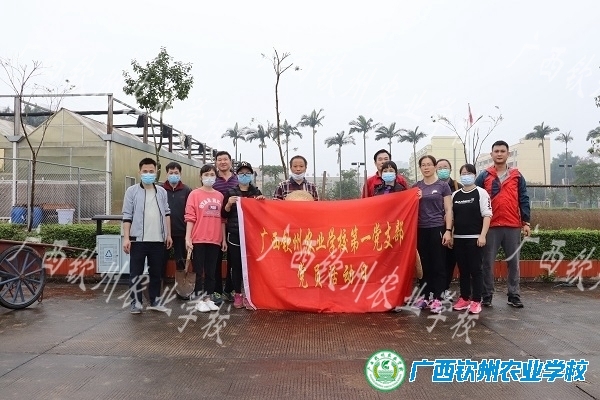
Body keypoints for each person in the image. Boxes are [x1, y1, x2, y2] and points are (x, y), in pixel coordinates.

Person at [475, 140, 531, 308]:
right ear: (491, 154)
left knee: (513, 263)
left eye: (502, 151)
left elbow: (523, 198)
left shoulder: (517, 176)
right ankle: (487, 295)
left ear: (508, 154)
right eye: (496, 151)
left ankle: (514, 295)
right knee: (487, 263)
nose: (499, 154)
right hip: (491, 226)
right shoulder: (484, 176)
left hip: (512, 225)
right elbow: (476, 199)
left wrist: (526, 222)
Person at [122, 157, 172, 314]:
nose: (148, 174)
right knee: (135, 273)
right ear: (139, 172)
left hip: (158, 240)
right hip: (138, 240)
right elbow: (127, 215)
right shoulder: (132, 191)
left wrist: (168, 235)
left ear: (156, 172)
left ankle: (155, 300)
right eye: (145, 171)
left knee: (156, 273)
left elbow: (167, 213)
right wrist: (126, 238)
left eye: (151, 171)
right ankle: (136, 302)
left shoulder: (162, 192)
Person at [222, 161, 265, 308]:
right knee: (236, 266)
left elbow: (262, 214)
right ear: (237, 175)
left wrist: (261, 202)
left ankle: (249, 295)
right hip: (235, 234)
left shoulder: (256, 193)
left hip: (252, 235)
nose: (244, 176)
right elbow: (223, 214)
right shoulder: (230, 192)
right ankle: (238, 294)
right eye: (241, 173)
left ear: (251, 175)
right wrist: (228, 204)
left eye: (247, 173)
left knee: (251, 266)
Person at [412, 155, 453, 314]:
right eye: (423, 165)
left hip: (437, 228)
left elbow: (448, 209)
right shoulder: (416, 187)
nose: (426, 167)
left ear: (435, 167)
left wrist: (448, 231)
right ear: (420, 168)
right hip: (421, 229)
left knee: (438, 264)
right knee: (423, 265)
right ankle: (424, 296)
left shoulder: (443, 186)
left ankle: (437, 298)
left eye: (429, 164)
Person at [184, 164, 227, 313]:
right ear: (201, 177)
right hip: (198, 239)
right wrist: (188, 238)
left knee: (211, 271)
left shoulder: (220, 196)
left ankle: (208, 298)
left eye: (212, 175)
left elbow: (222, 220)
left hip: (214, 239)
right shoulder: (194, 194)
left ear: (216, 177)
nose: (209, 177)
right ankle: (198, 299)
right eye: (206, 175)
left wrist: (223, 239)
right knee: (198, 270)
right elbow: (190, 217)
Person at [451, 163, 492, 315]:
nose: (466, 176)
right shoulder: (456, 195)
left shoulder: (481, 193)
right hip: (459, 238)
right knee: (463, 270)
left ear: (474, 175)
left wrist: (482, 235)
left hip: (475, 239)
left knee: (476, 270)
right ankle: (464, 298)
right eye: (463, 173)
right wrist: (451, 234)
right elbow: (452, 218)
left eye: (469, 173)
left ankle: (476, 300)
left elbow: (487, 215)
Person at [212, 151, 239, 302]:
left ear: (230, 161)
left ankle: (230, 289)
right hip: (216, 224)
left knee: (233, 260)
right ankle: (216, 290)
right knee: (216, 258)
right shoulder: (213, 180)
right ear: (216, 162)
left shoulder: (238, 179)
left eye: (225, 159)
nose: (223, 162)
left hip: (234, 226)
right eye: (219, 160)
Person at [436, 158, 463, 301]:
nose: (442, 170)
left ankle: (445, 289)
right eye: (439, 168)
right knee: (438, 260)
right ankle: (435, 290)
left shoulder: (458, 187)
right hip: (436, 227)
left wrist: (451, 230)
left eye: (445, 167)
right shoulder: (433, 186)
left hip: (453, 228)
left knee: (450, 261)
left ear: (450, 169)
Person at [161, 162, 192, 283]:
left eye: (176, 173)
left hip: (181, 232)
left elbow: (190, 211)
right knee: (161, 260)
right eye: (171, 173)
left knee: (181, 260)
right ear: (166, 174)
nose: (173, 175)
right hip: (163, 232)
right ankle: (159, 284)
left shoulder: (187, 190)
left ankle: (181, 284)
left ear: (180, 174)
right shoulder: (160, 190)